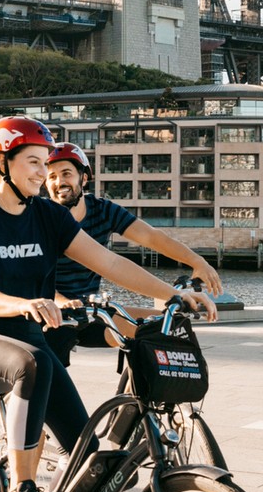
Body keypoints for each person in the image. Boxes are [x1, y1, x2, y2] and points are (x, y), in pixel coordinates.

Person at [0, 117, 214, 492]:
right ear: (1, 162)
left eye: (45, 163)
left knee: (90, 460)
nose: (41, 173)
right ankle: (22, 491)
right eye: (32, 162)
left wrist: (173, 295)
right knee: (32, 363)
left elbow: (109, 262)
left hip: (31, 338)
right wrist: (22, 304)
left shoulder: (48, 216)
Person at [41, 142, 223, 366]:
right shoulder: (41, 217)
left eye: (66, 173)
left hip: (92, 312)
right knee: (51, 379)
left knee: (163, 327)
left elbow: (151, 236)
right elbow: (31, 277)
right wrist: (62, 302)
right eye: (52, 176)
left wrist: (197, 262)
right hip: (51, 313)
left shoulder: (102, 210)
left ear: (84, 178)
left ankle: (137, 390)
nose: (59, 182)